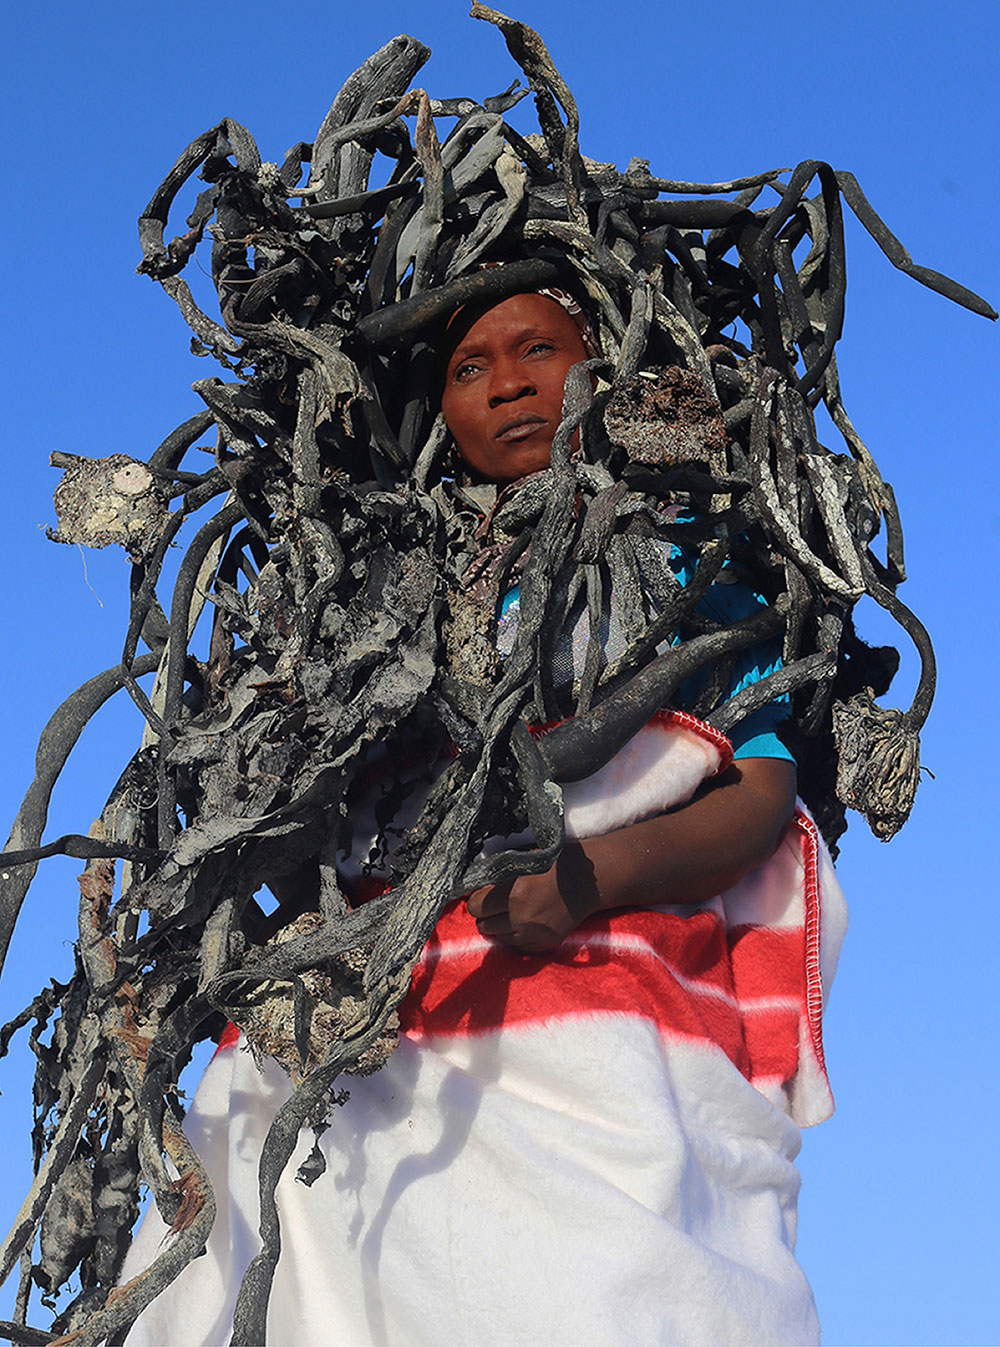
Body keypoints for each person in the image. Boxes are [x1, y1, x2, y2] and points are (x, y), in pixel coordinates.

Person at [120, 289, 847, 1347]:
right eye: (469, 367)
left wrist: (586, 879)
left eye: (539, 349)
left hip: (593, 999)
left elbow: (761, 790)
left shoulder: (696, 569)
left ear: (609, 367)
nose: (506, 383)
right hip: (370, 1014)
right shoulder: (365, 597)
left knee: (594, 1292)